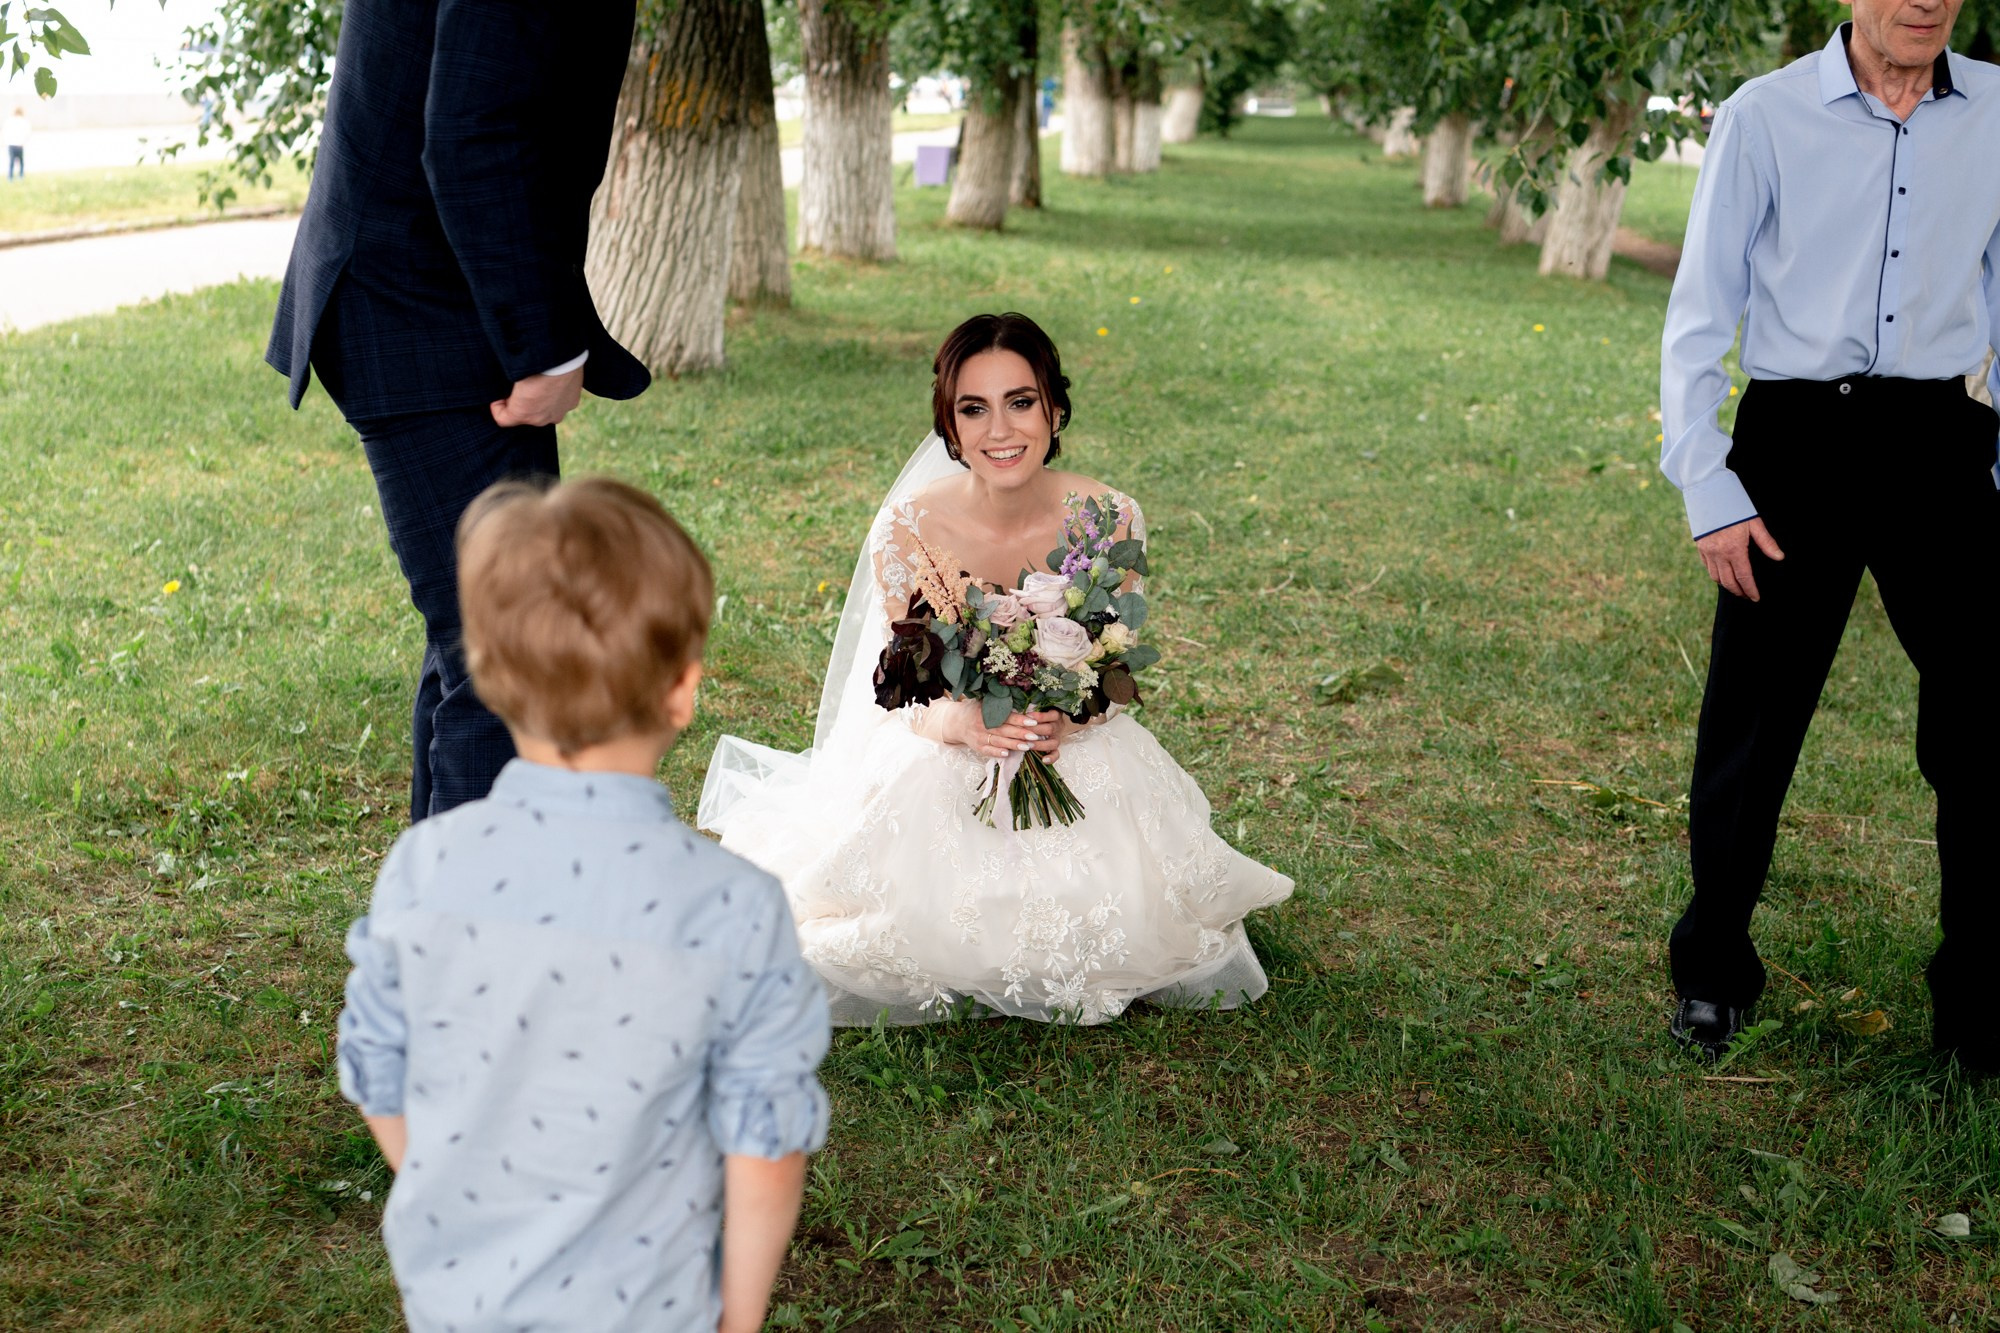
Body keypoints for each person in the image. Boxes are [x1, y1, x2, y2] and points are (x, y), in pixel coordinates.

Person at [699, 313, 1293, 1025]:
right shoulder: (909, 525)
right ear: (950, 426)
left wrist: (1071, 714)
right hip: (951, 742)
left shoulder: (1108, 516)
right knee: (909, 880)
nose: (999, 431)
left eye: (1020, 401)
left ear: (1055, 407)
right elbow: (902, 686)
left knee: (1129, 893)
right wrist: (959, 721)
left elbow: (1115, 671)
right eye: (973, 409)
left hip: (1062, 739)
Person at [337, 477, 830, 1333]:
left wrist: (464, 1211)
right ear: (683, 688)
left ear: (490, 681)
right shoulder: (735, 909)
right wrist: (738, 1319)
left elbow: (377, 1072)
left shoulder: (423, 868)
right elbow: (766, 1149)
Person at [1658, 0, 2000, 1069]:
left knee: (1985, 726)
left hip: (1940, 444)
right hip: (1795, 443)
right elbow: (1700, 308)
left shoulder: (1996, 113)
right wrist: (1708, 485)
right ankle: (1712, 966)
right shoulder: (1763, 115)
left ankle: (1978, 999)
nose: (1921, 0)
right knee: (1751, 727)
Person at [267, 0, 650, 823]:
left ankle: (440, 927)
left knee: (483, 646)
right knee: (511, 663)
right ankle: (475, 944)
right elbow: (470, 131)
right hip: (424, 307)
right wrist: (544, 348)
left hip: (429, 297)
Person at [5, 107, 28, 180]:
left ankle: (10, 177)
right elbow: (27, 132)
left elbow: (5, 131)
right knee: (21, 162)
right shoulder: (23, 121)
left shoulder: (10, 120)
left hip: (11, 144)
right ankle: (21, 176)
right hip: (20, 144)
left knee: (11, 161)